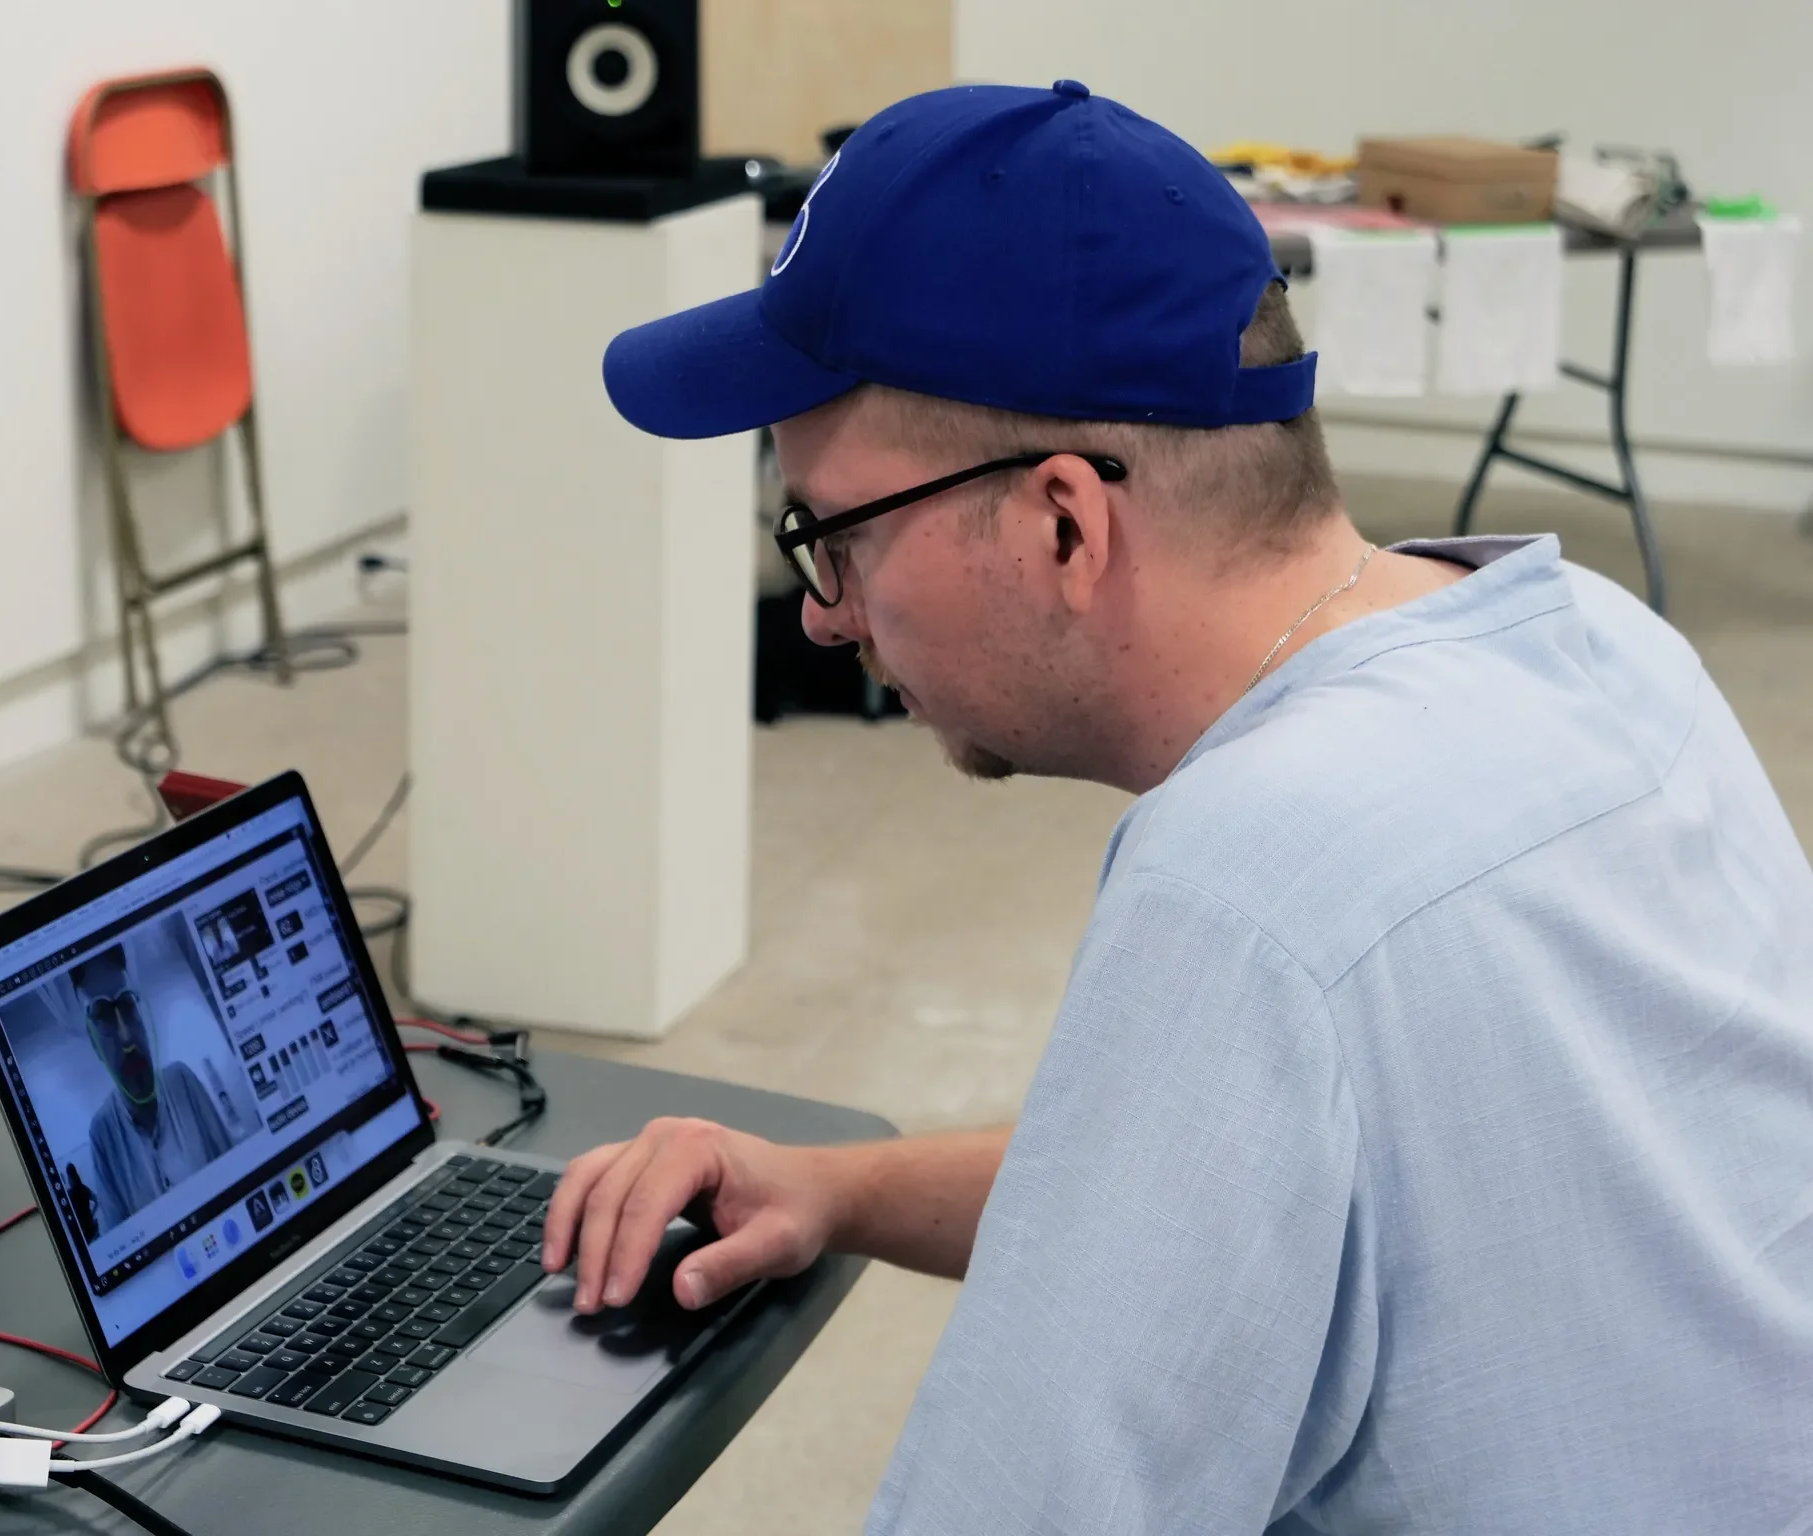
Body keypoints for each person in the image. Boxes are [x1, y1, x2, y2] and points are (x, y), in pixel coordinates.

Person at [541, 81, 1813, 1533]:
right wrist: (838, 1189)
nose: (826, 620)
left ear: (1066, 522)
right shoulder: (1595, 636)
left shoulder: (1250, 882)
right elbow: (1199, 1197)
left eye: (829, 538)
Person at [70, 944, 235, 1232]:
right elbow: (117, 1238)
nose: (125, 1037)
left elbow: (235, 1173)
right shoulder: (102, 1131)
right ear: (93, 1040)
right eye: (104, 1016)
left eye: (127, 1006)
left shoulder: (182, 1079)